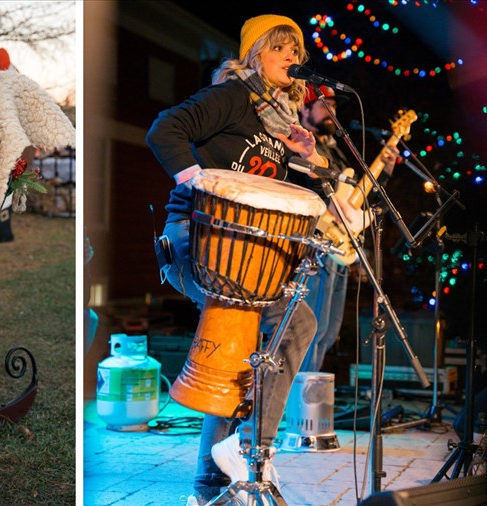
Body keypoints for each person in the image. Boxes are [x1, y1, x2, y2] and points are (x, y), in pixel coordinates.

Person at [144, 14, 326, 505]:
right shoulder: (231, 97)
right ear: (255, 53)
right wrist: (196, 183)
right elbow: (165, 129)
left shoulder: (279, 123)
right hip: (194, 242)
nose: (294, 58)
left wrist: (308, 154)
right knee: (282, 325)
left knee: (245, 346)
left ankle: (210, 484)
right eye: (282, 49)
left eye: (297, 52)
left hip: (243, 256)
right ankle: (250, 449)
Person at [297, 85, 399, 372]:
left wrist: (386, 169)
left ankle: (308, 397)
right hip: (315, 244)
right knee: (311, 329)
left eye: (335, 106)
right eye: (324, 105)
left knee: (328, 331)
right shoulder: (302, 144)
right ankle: (297, 403)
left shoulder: (334, 149)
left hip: (340, 246)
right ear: (305, 109)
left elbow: (358, 202)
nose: (333, 111)